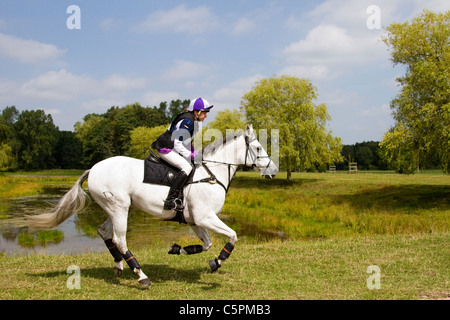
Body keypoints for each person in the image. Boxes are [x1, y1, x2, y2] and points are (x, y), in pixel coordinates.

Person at [151, 97, 213, 211]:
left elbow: (187, 141)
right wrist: (192, 155)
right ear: (196, 112)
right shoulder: (187, 121)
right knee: (187, 167)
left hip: (173, 147)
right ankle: (170, 200)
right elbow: (178, 144)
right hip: (167, 148)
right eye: (204, 113)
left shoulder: (193, 121)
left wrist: (194, 152)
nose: (206, 116)